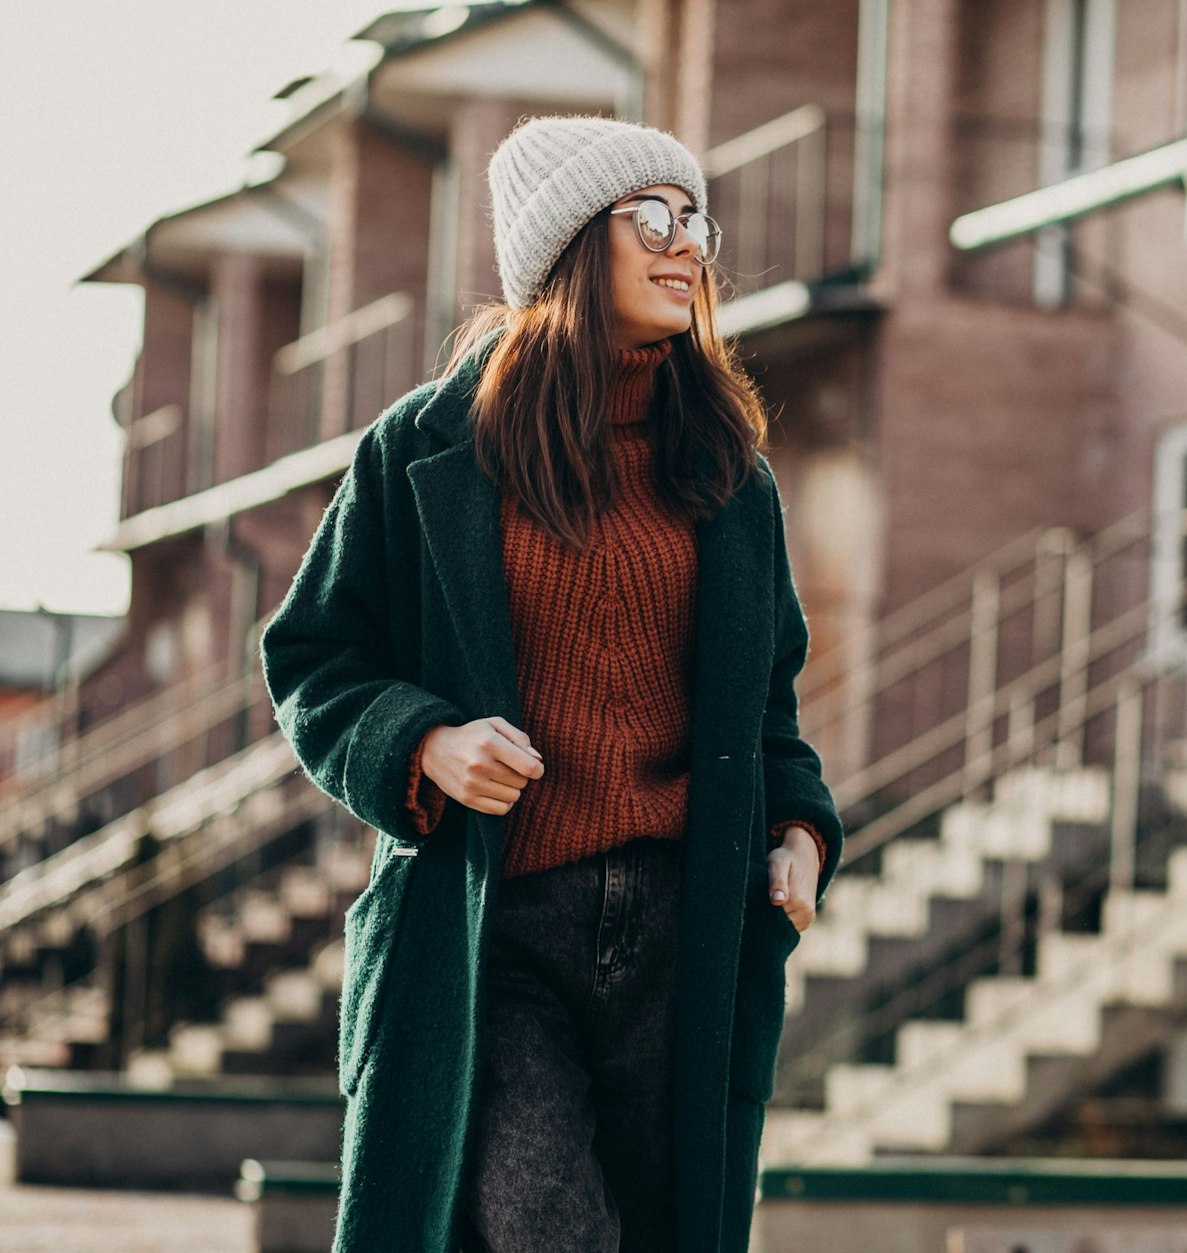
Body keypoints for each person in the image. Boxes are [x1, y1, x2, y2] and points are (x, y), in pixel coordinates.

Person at [258, 115, 843, 1253]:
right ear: (570, 242)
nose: (688, 248)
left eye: (695, 221)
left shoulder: (727, 470)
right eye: (654, 218)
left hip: (684, 938)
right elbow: (312, 656)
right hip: (492, 931)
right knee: (543, 1228)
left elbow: (768, 703)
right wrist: (423, 743)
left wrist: (799, 828)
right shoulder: (423, 448)